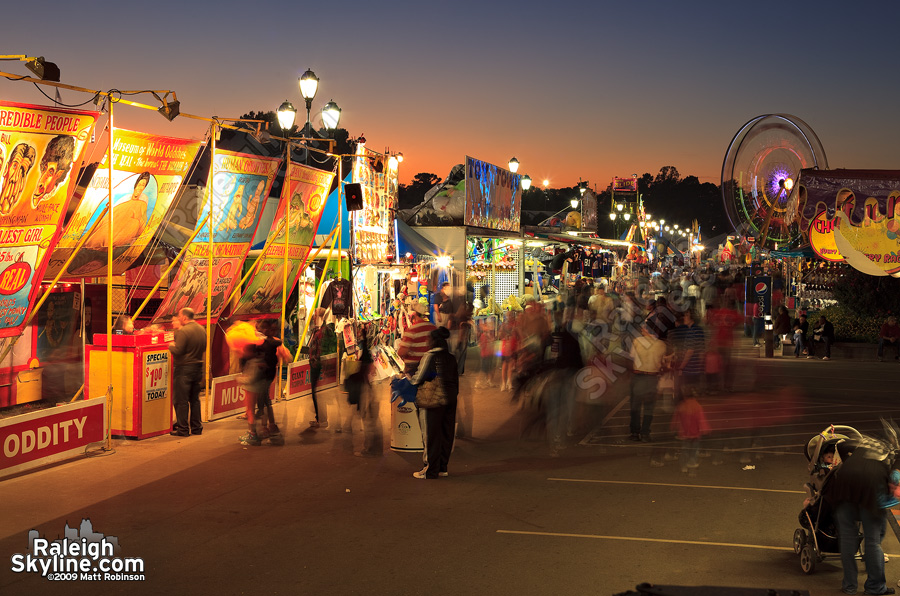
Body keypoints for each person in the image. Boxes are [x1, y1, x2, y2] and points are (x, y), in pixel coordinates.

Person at [824, 439, 896, 596]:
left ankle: (849, 586)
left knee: (848, 539)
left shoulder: (862, 442)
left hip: (844, 484)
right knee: (873, 541)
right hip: (870, 489)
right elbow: (894, 484)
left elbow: (842, 445)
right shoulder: (893, 454)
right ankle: (875, 587)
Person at [409, 327, 459, 479]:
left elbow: (419, 377)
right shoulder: (451, 357)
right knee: (446, 433)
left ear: (433, 340)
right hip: (450, 399)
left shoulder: (430, 356)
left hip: (433, 400)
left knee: (430, 434)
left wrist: (408, 381)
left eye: (428, 339)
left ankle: (430, 469)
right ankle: (442, 468)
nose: (426, 341)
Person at [168, 308, 206, 437]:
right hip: (198, 367)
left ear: (184, 317)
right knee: (194, 399)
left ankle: (183, 429)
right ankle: (197, 427)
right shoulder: (202, 330)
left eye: (179, 316)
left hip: (184, 369)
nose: (178, 319)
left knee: (181, 400)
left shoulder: (184, 331)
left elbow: (178, 351)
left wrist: (171, 345)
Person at [629, 323, 667, 443]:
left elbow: (632, 357)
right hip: (652, 377)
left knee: (635, 406)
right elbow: (663, 362)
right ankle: (645, 433)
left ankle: (635, 433)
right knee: (649, 408)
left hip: (639, 376)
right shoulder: (661, 344)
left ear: (646, 329)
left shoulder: (637, 341)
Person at [31, 135, 76, 209]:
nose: (40, 181)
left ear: (59, 174)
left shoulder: (59, 195)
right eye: (44, 169)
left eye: (50, 172)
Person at [396, 301, 436, 375]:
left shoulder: (411, 330)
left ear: (414, 314)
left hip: (413, 367)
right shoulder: (433, 328)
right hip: (430, 365)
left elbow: (402, 352)